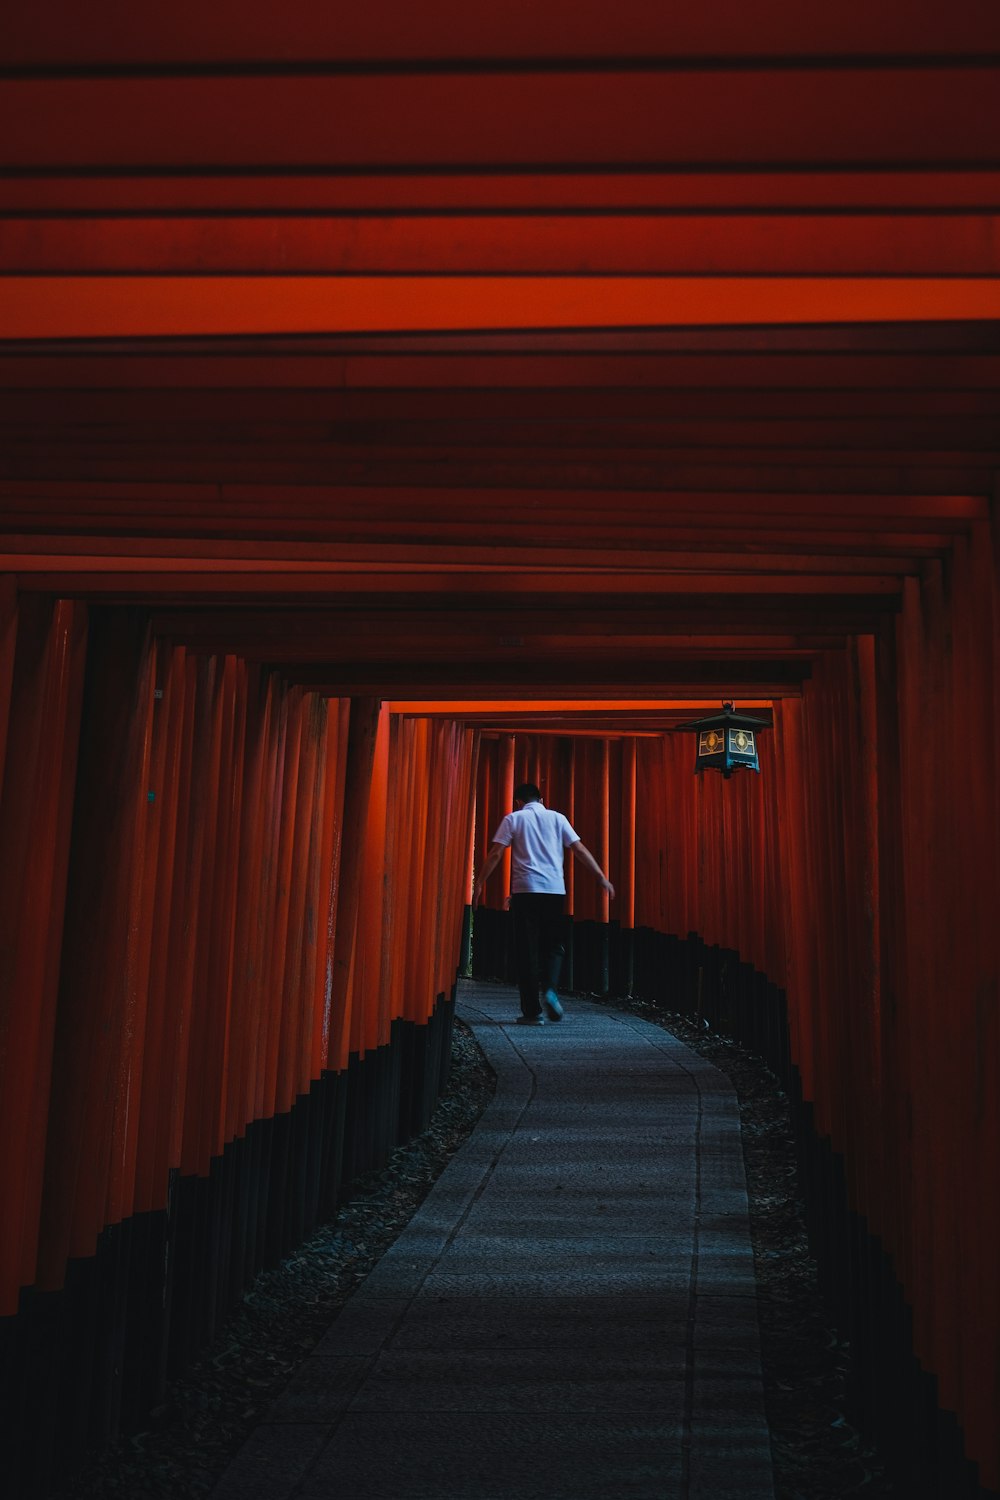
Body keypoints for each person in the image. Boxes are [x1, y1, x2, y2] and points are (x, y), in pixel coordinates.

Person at [471, 782, 615, 1025]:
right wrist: (601, 877)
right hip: (554, 891)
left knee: (526, 951)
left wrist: (480, 884)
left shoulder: (513, 819)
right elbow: (578, 849)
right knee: (554, 945)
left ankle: (532, 1012)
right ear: (541, 798)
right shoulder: (558, 818)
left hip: (525, 892)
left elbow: (496, 853)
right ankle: (550, 989)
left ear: (518, 801)